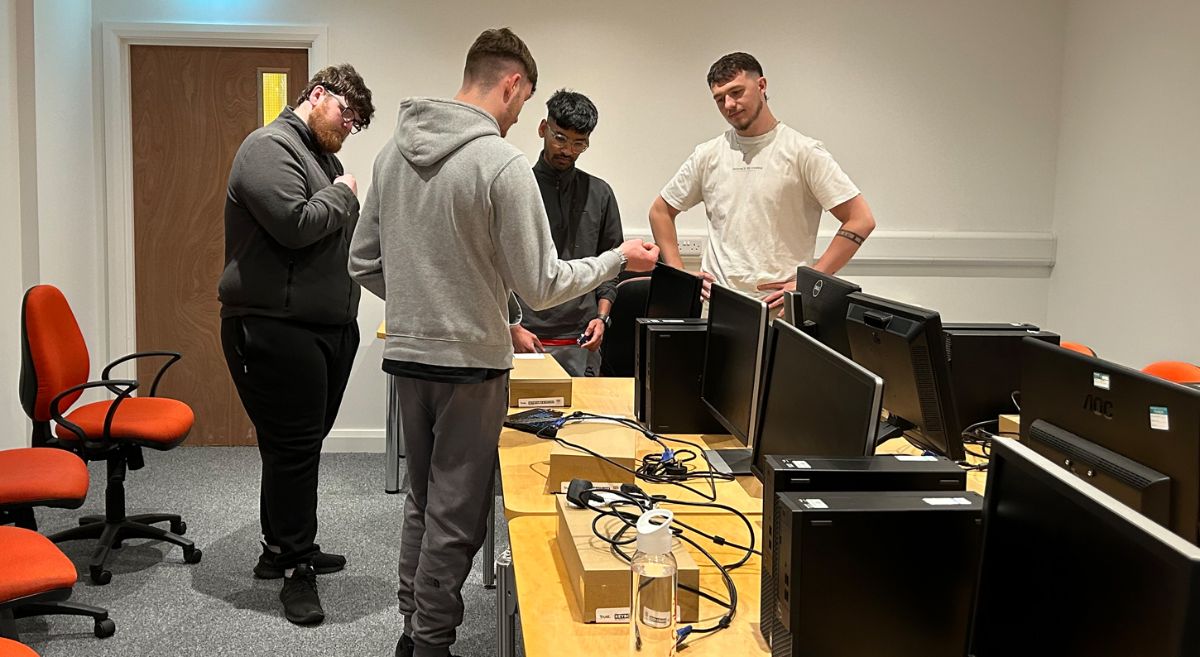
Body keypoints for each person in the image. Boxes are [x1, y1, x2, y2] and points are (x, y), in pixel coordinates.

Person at [348, 28, 658, 657]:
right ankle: (429, 645)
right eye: (524, 102)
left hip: (409, 356)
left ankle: (414, 627)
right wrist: (616, 259)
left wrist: (422, 306)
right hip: (471, 367)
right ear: (512, 83)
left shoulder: (390, 153)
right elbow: (543, 284)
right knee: (457, 516)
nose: (521, 117)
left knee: (423, 498)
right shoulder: (500, 162)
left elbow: (362, 262)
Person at [218, 64, 374, 626]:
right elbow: (294, 223)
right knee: (295, 448)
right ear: (317, 95)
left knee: (292, 446)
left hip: (322, 326)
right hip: (275, 328)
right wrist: (345, 192)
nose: (349, 127)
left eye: (357, 123)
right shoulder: (269, 147)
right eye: (346, 114)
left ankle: (278, 549)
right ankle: (294, 568)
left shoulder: (320, 159)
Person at [649, 52, 876, 308]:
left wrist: (814, 279)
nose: (729, 105)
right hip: (716, 307)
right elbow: (660, 211)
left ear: (761, 86)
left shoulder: (803, 151)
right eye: (720, 99)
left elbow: (861, 220)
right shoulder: (708, 154)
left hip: (780, 309)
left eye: (736, 92)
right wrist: (680, 274)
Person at [509, 90, 624, 376]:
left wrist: (601, 317)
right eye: (560, 138)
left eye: (579, 144)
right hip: (524, 335)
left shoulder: (599, 193)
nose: (567, 151)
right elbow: (495, 266)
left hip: (580, 338)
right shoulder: (516, 188)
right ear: (543, 128)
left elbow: (612, 262)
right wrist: (511, 327)